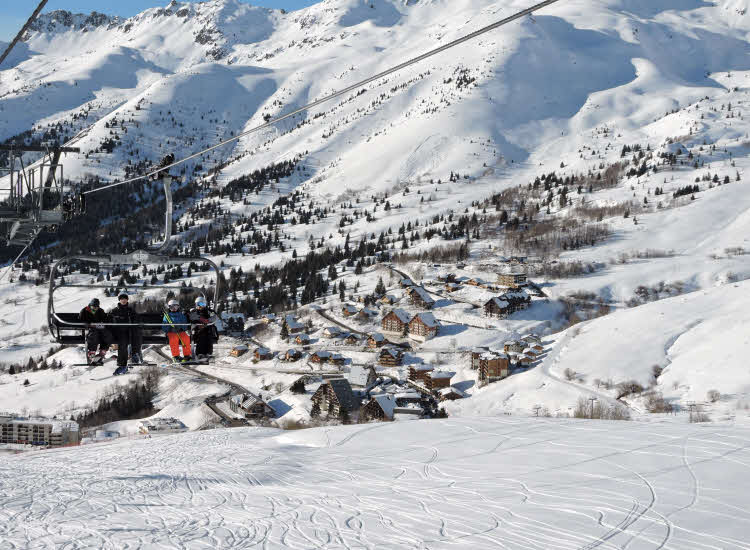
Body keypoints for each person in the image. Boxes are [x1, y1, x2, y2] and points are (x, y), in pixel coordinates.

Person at [109, 292, 143, 374]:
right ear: (119, 300)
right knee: (123, 342)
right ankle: (122, 364)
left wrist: (135, 323)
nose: (123, 300)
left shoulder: (130, 310)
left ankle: (135, 355)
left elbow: (136, 320)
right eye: (121, 299)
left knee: (136, 335)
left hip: (129, 331)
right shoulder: (114, 311)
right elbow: (110, 322)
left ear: (127, 300)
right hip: (119, 332)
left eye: (125, 299)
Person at [79, 298, 111, 365]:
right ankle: (92, 352)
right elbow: (81, 320)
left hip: (99, 328)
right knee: (93, 334)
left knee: (107, 333)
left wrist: (102, 323)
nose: (94, 308)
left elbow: (105, 319)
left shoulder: (100, 311)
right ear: (90, 305)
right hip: (90, 329)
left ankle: (103, 350)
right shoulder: (85, 311)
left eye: (96, 307)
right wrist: (89, 324)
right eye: (93, 307)